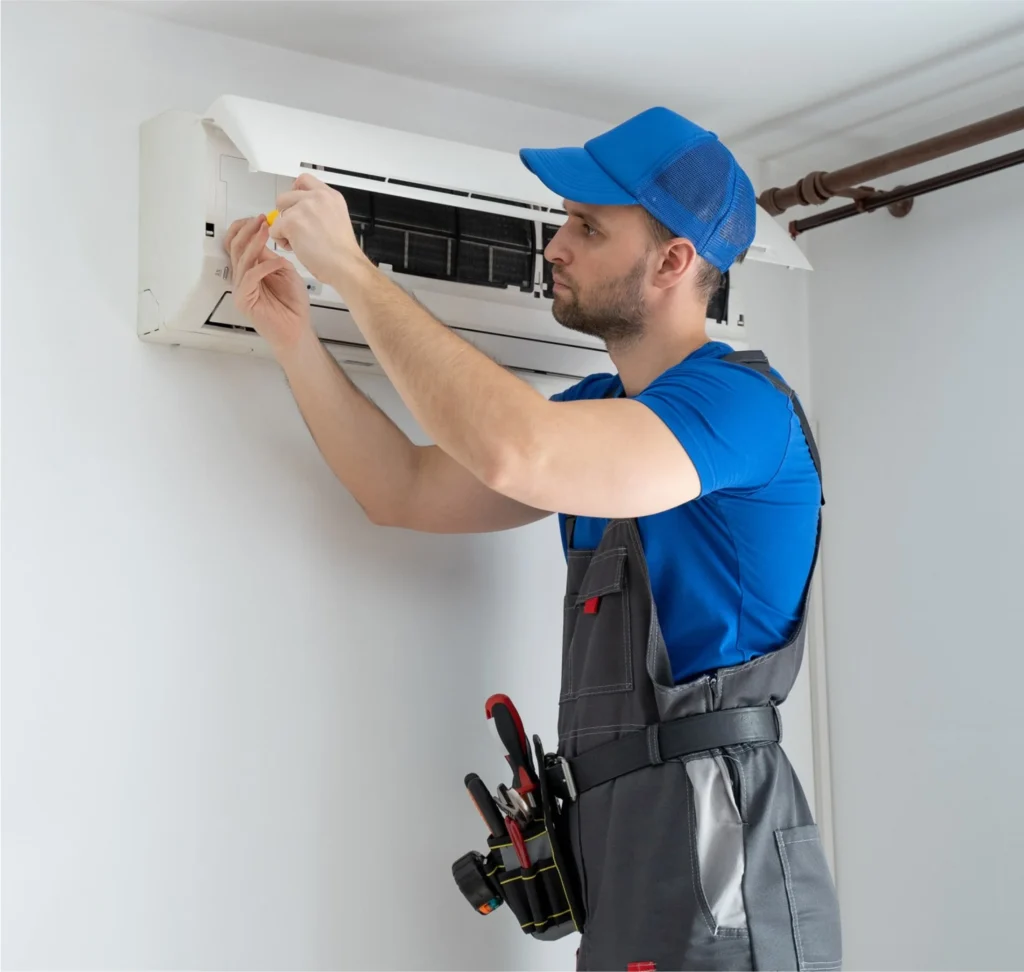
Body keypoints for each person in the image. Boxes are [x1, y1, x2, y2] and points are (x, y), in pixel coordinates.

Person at [224, 107, 841, 971]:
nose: (555, 245)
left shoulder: (741, 409)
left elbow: (521, 452)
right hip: (628, 851)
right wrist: (292, 338)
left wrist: (357, 276)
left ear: (672, 261)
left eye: (588, 227)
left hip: (718, 849)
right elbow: (400, 487)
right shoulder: (598, 413)